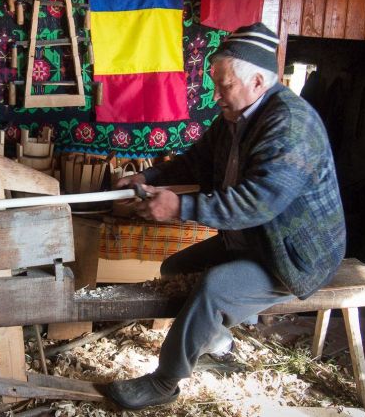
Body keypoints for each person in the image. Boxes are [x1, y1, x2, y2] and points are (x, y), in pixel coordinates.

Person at [105, 22, 346, 410]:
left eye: (224, 86)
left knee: (214, 288)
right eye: (215, 84)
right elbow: (198, 161)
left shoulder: (290, 125)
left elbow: (257, 204)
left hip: (293, 256)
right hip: (252, 241)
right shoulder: (236, 115)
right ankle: (218, 345)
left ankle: (165, 382)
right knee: (175, 270)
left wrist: (179, 207)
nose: (215, 95)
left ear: (256, 82)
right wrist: (146, 177)